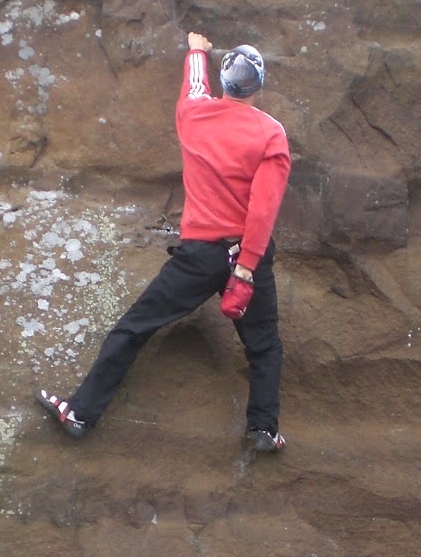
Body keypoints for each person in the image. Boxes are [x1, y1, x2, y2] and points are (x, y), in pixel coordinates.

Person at [37, 31, 292, 452]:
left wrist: (197, 50)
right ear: (258, 87)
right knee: (264, 345)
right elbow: (263, 210)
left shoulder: (194, 115)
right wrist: (245, 269)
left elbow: (195, 86)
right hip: (244, 257)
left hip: (198, 256)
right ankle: (263, 430)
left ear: (225, 84)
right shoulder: (271, 134)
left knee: (134, 328)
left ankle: (80, 412)